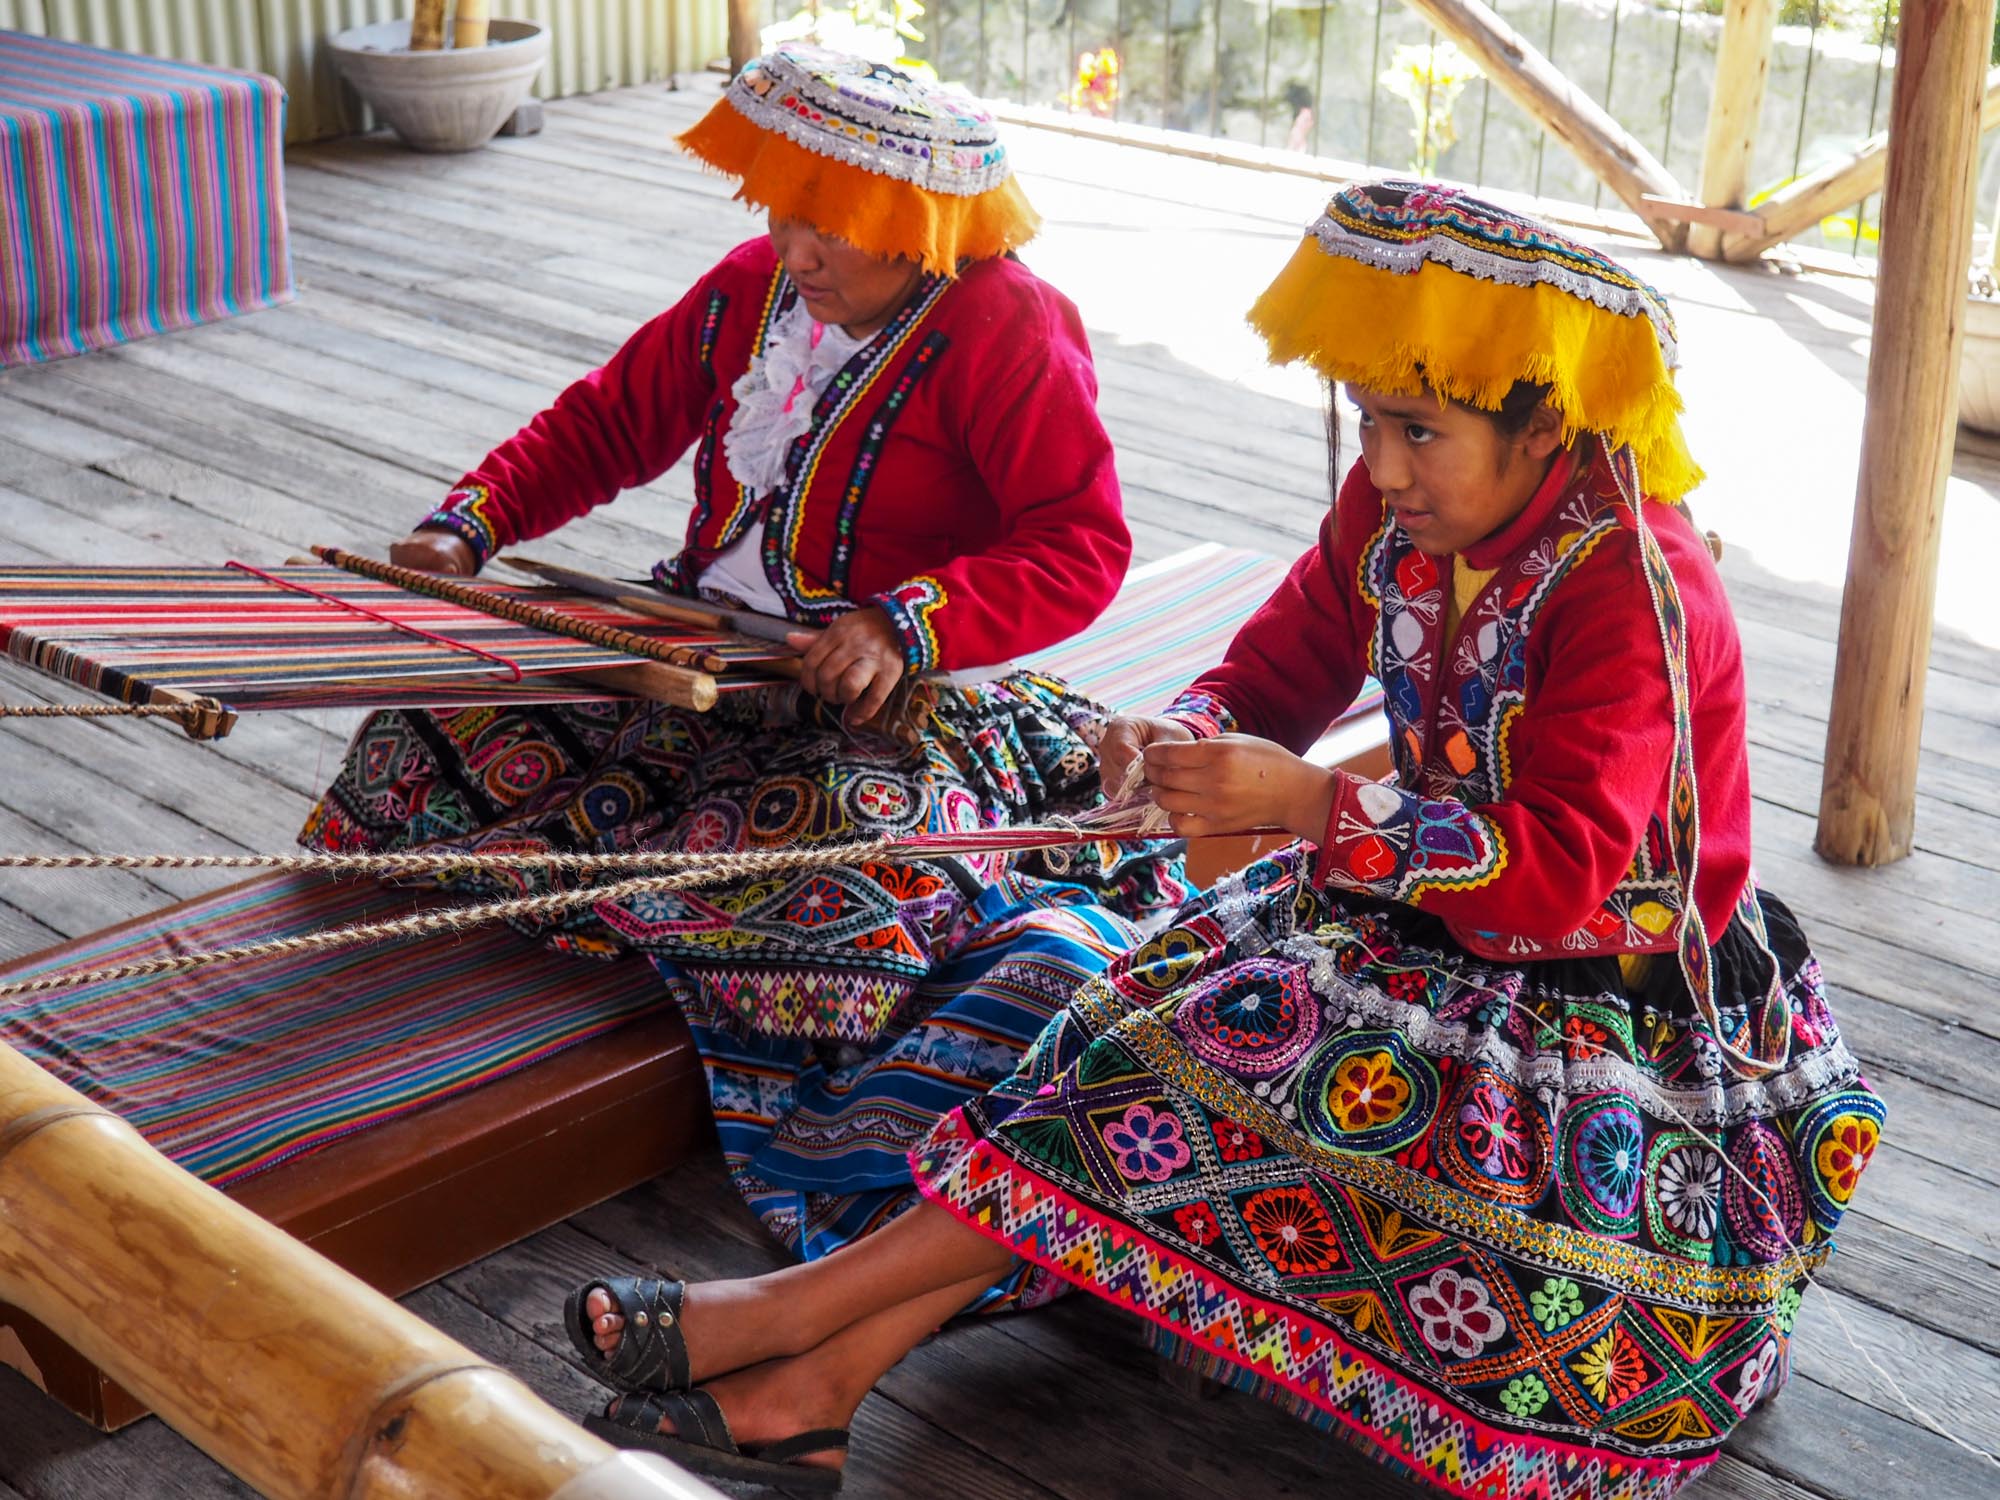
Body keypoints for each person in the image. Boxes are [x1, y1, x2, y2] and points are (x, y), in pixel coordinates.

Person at [570, 182, 1885, 1499]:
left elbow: (1555, 871)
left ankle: (794, 1334)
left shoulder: (1633, 592)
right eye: (1369, 421)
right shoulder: (1400, 518)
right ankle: (808, 1384)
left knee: (1201, 1067)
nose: (1378, 467)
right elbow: (1282, 665)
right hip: (1412, 921)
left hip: (1603, 1006)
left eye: (1417, 430)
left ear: (1546, 426)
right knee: (1110, 1038)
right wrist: (1180, 735)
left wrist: (1309, 806)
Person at [301, 44, 1185, 1323]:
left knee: (843, 881)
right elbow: (611, 420)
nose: (797, 249)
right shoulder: (749, 292)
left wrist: (906, 622)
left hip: (872, 703)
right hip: (684, 645)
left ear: (916, 227)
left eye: (832, 227)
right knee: (425, 738)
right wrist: (470, 524)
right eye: (783, 212)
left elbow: (1079, 539)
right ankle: (608, 908)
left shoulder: (1004, 324)